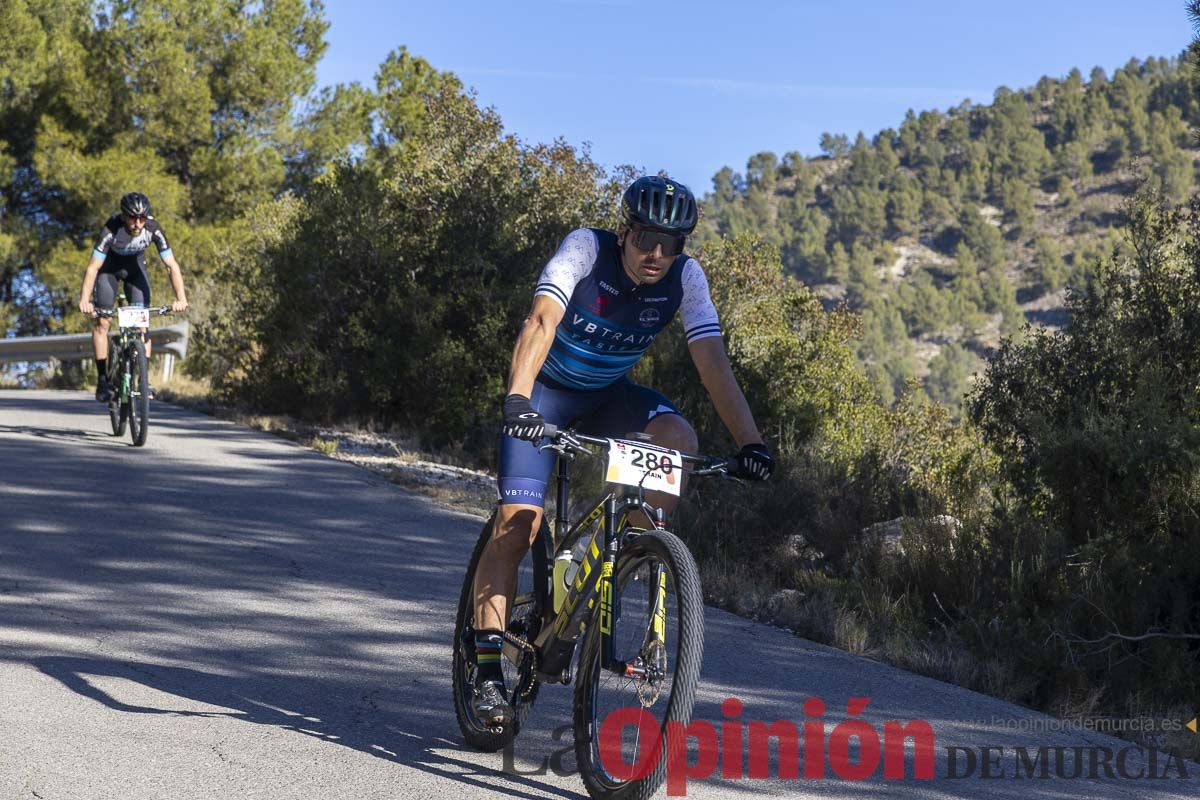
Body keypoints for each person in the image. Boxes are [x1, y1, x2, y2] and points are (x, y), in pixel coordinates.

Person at [471, 175, 775, 726]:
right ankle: (488, 669)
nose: (657, 254)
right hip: (547, 395)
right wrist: (518, 400)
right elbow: (541, 320)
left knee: (680, 439)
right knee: (518, 525)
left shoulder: (686, 279)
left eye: (672, 243)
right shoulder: (585, 249)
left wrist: (750, 443)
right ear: (623, 232)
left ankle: (631, 549)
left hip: (610, 397)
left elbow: (712, 363)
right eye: (645, 239)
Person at [77, 192, 189, 401]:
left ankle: (143, 381)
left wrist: (180, 298)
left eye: (142, 218)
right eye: (132, 218)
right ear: (123, 216)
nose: (138, 223)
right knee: (102, 323)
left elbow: (171, 265)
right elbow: (93, 268)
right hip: (108, 271)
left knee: (142, 324)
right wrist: (85, 300)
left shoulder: (153, 229)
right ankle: (103, 379)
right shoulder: (111, 229)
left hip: (135, 271)